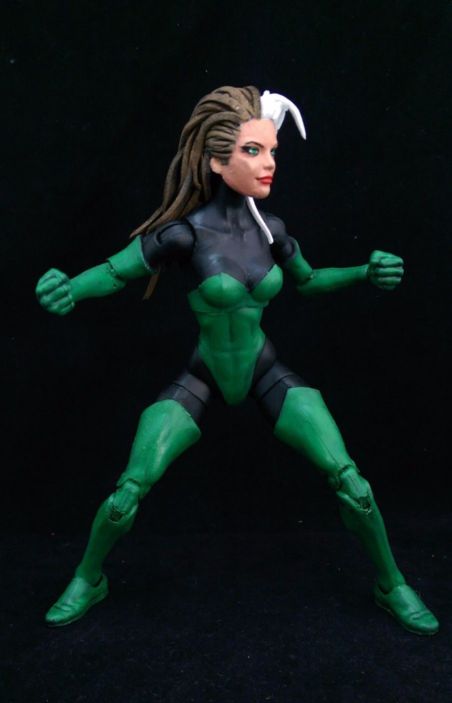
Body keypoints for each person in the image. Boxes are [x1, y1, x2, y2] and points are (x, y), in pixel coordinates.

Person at [36, 85, 438, 634]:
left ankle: (392, 584)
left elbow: (309, 280)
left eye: (272, 151)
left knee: (354, 487)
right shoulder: (183, 235)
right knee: (126, 495)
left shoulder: (273, 232)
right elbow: (114, 271)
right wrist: (71, 288)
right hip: (203, 376)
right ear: (216, 161)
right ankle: (88, 577)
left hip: (265, 372)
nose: (269, 163)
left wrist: (363, 273)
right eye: (253, 151)